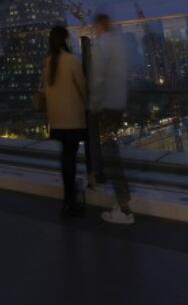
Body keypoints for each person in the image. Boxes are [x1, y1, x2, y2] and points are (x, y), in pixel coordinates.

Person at [89, 13, 134, 224]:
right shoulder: (118, 43)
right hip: (117, 104)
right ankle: (122, 201)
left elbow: (97, 78)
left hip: (105, 107)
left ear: (99, 26)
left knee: (109, 153)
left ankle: (123, 207)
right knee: (111, 151)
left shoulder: (101, 45)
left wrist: (93, 104)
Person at [40, 25, 87, 218]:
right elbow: (83, 88)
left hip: (56, 119)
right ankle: (70, 201)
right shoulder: (72, 61)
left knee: (65, 158)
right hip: (73, 119)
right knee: (71, 158)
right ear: (66, 40)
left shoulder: (48, 61)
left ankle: (68, 200)